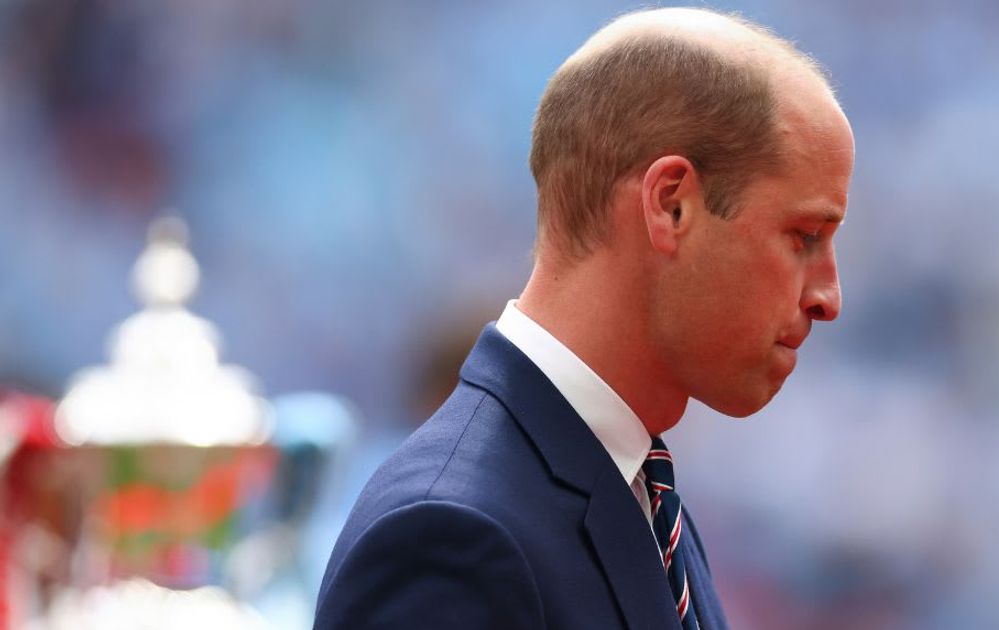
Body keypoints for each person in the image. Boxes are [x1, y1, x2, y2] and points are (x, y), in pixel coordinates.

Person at [314, 7, 854, 629]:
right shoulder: (452, 532)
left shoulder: (639, 493)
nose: (828, 297)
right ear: (671, 206)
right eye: (804, 235)